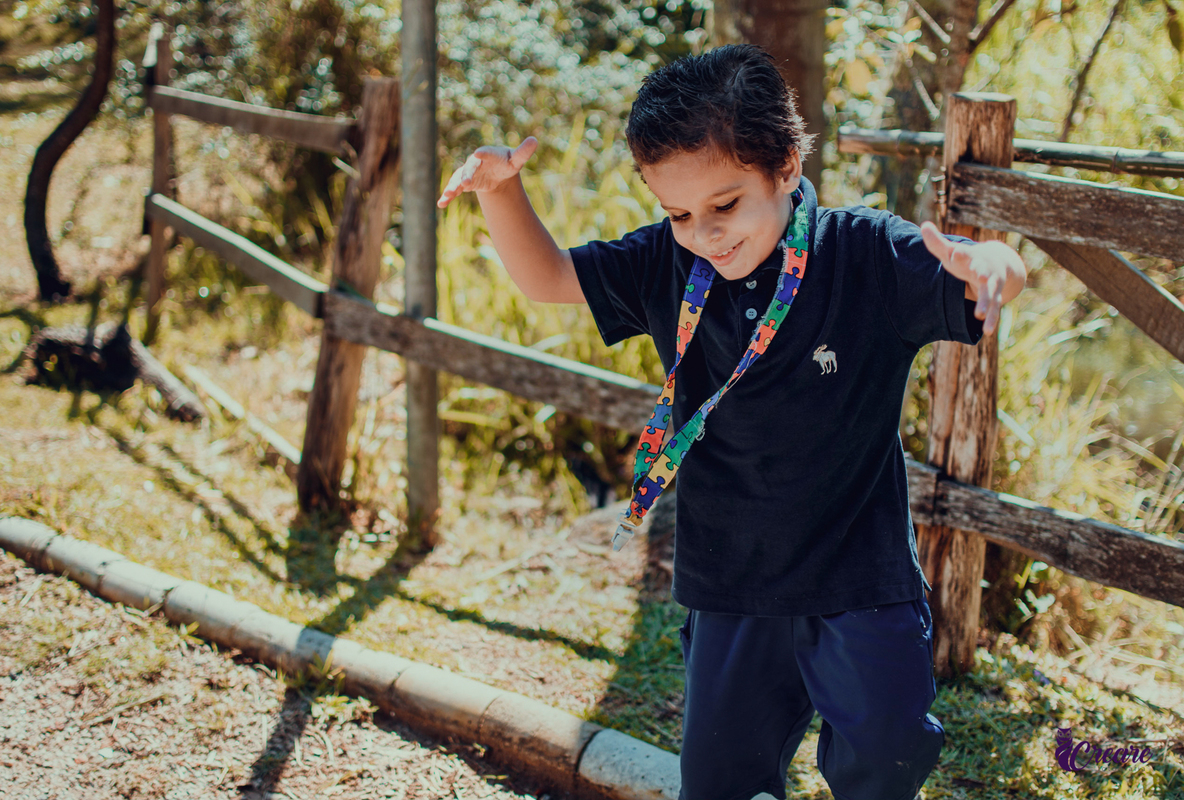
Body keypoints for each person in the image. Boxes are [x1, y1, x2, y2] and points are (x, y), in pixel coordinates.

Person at [438, 43, 1026, 800]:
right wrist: (500, 191)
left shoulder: (864, 253)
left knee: (889, 755)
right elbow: (548, 277)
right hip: (731, 584)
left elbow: (983, 263)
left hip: (861, 578)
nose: (705, 235)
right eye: (677, 213)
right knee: (719, 780)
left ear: (784, 167)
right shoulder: (667, 262)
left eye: (724, 206)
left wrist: (995, 266)